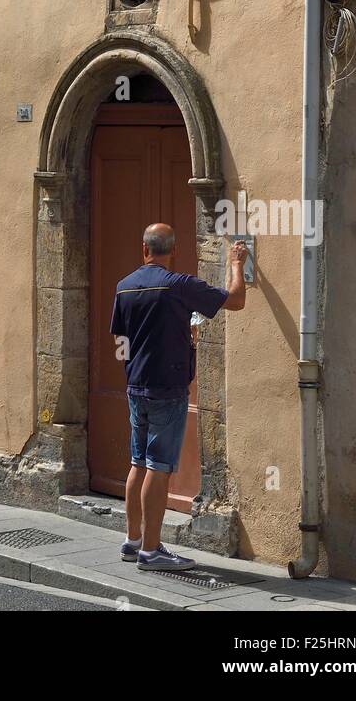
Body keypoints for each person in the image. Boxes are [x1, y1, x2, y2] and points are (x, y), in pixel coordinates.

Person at [110, 222, 248, 572]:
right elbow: (236, 300)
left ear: (144, 249)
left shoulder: (124, 287)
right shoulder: (179, 285)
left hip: (136, 386)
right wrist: (236, 263)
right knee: (158, 467)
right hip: (166, 389)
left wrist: (177, 340)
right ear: (174, 251)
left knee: (138, 463)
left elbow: (123, 341)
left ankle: (133, 541)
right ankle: (152, 551)